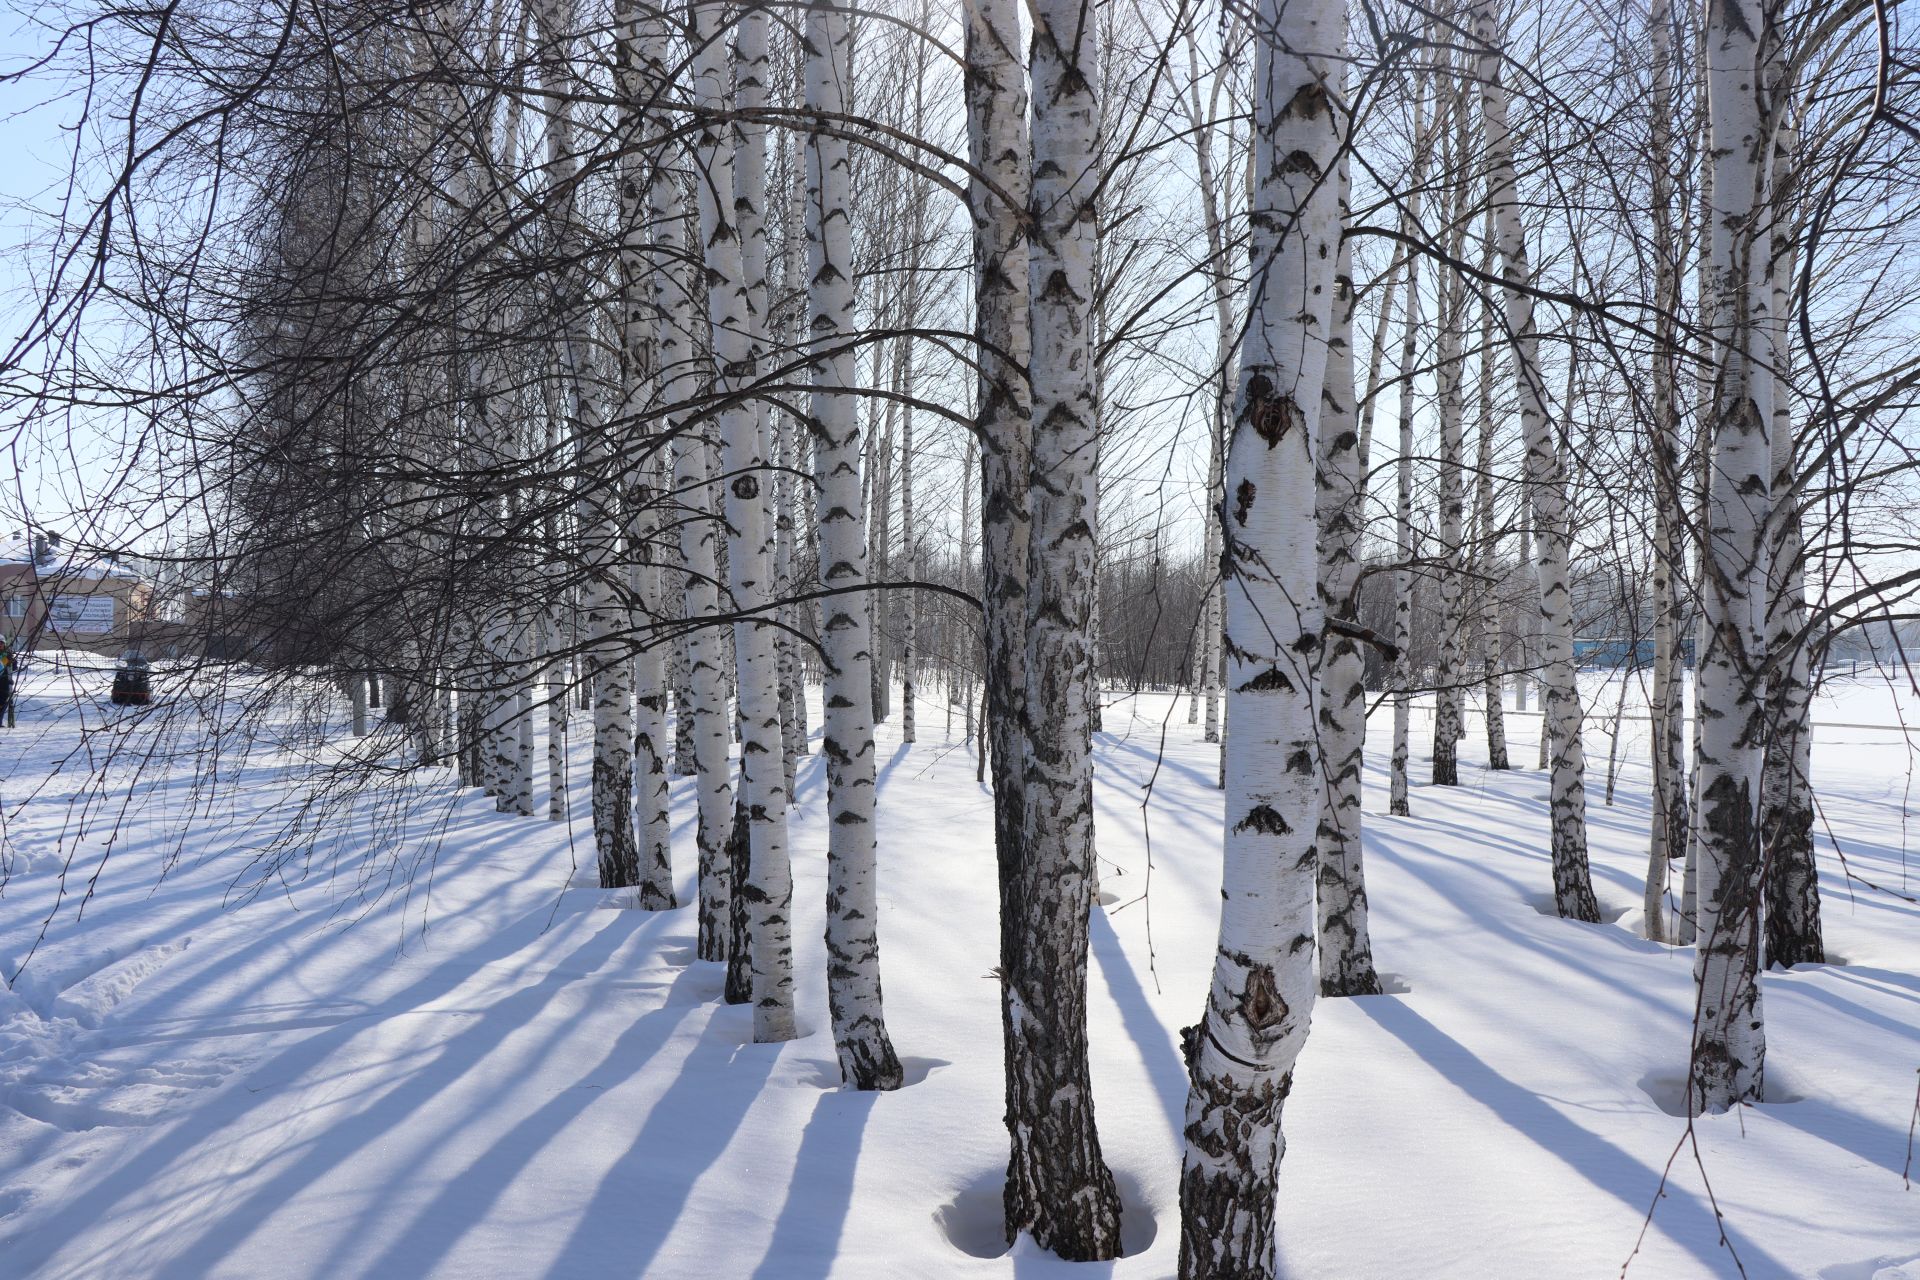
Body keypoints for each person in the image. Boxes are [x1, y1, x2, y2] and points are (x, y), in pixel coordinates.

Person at [0, 639, 14, 727]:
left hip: (5, 682)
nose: (0, 645)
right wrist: (6, 660)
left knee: (4, 702)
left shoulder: (6, 654)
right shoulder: (5, 657)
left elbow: (13, 667)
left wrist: (12, 661)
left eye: (1, 643)